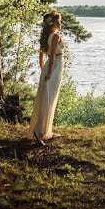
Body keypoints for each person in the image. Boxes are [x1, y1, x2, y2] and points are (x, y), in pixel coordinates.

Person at [29, 10, 66, 145]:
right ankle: (39, 131)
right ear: (53, 24)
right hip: (54, 67)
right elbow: (51, 58)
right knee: (49, 98)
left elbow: (42, 55)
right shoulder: (55, 36)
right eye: (58, 21)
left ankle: (46, 131)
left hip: (50, 66)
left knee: (47, 97)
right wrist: (49, 72)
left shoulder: (47, 36)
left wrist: (42, 68)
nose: (60, 23)